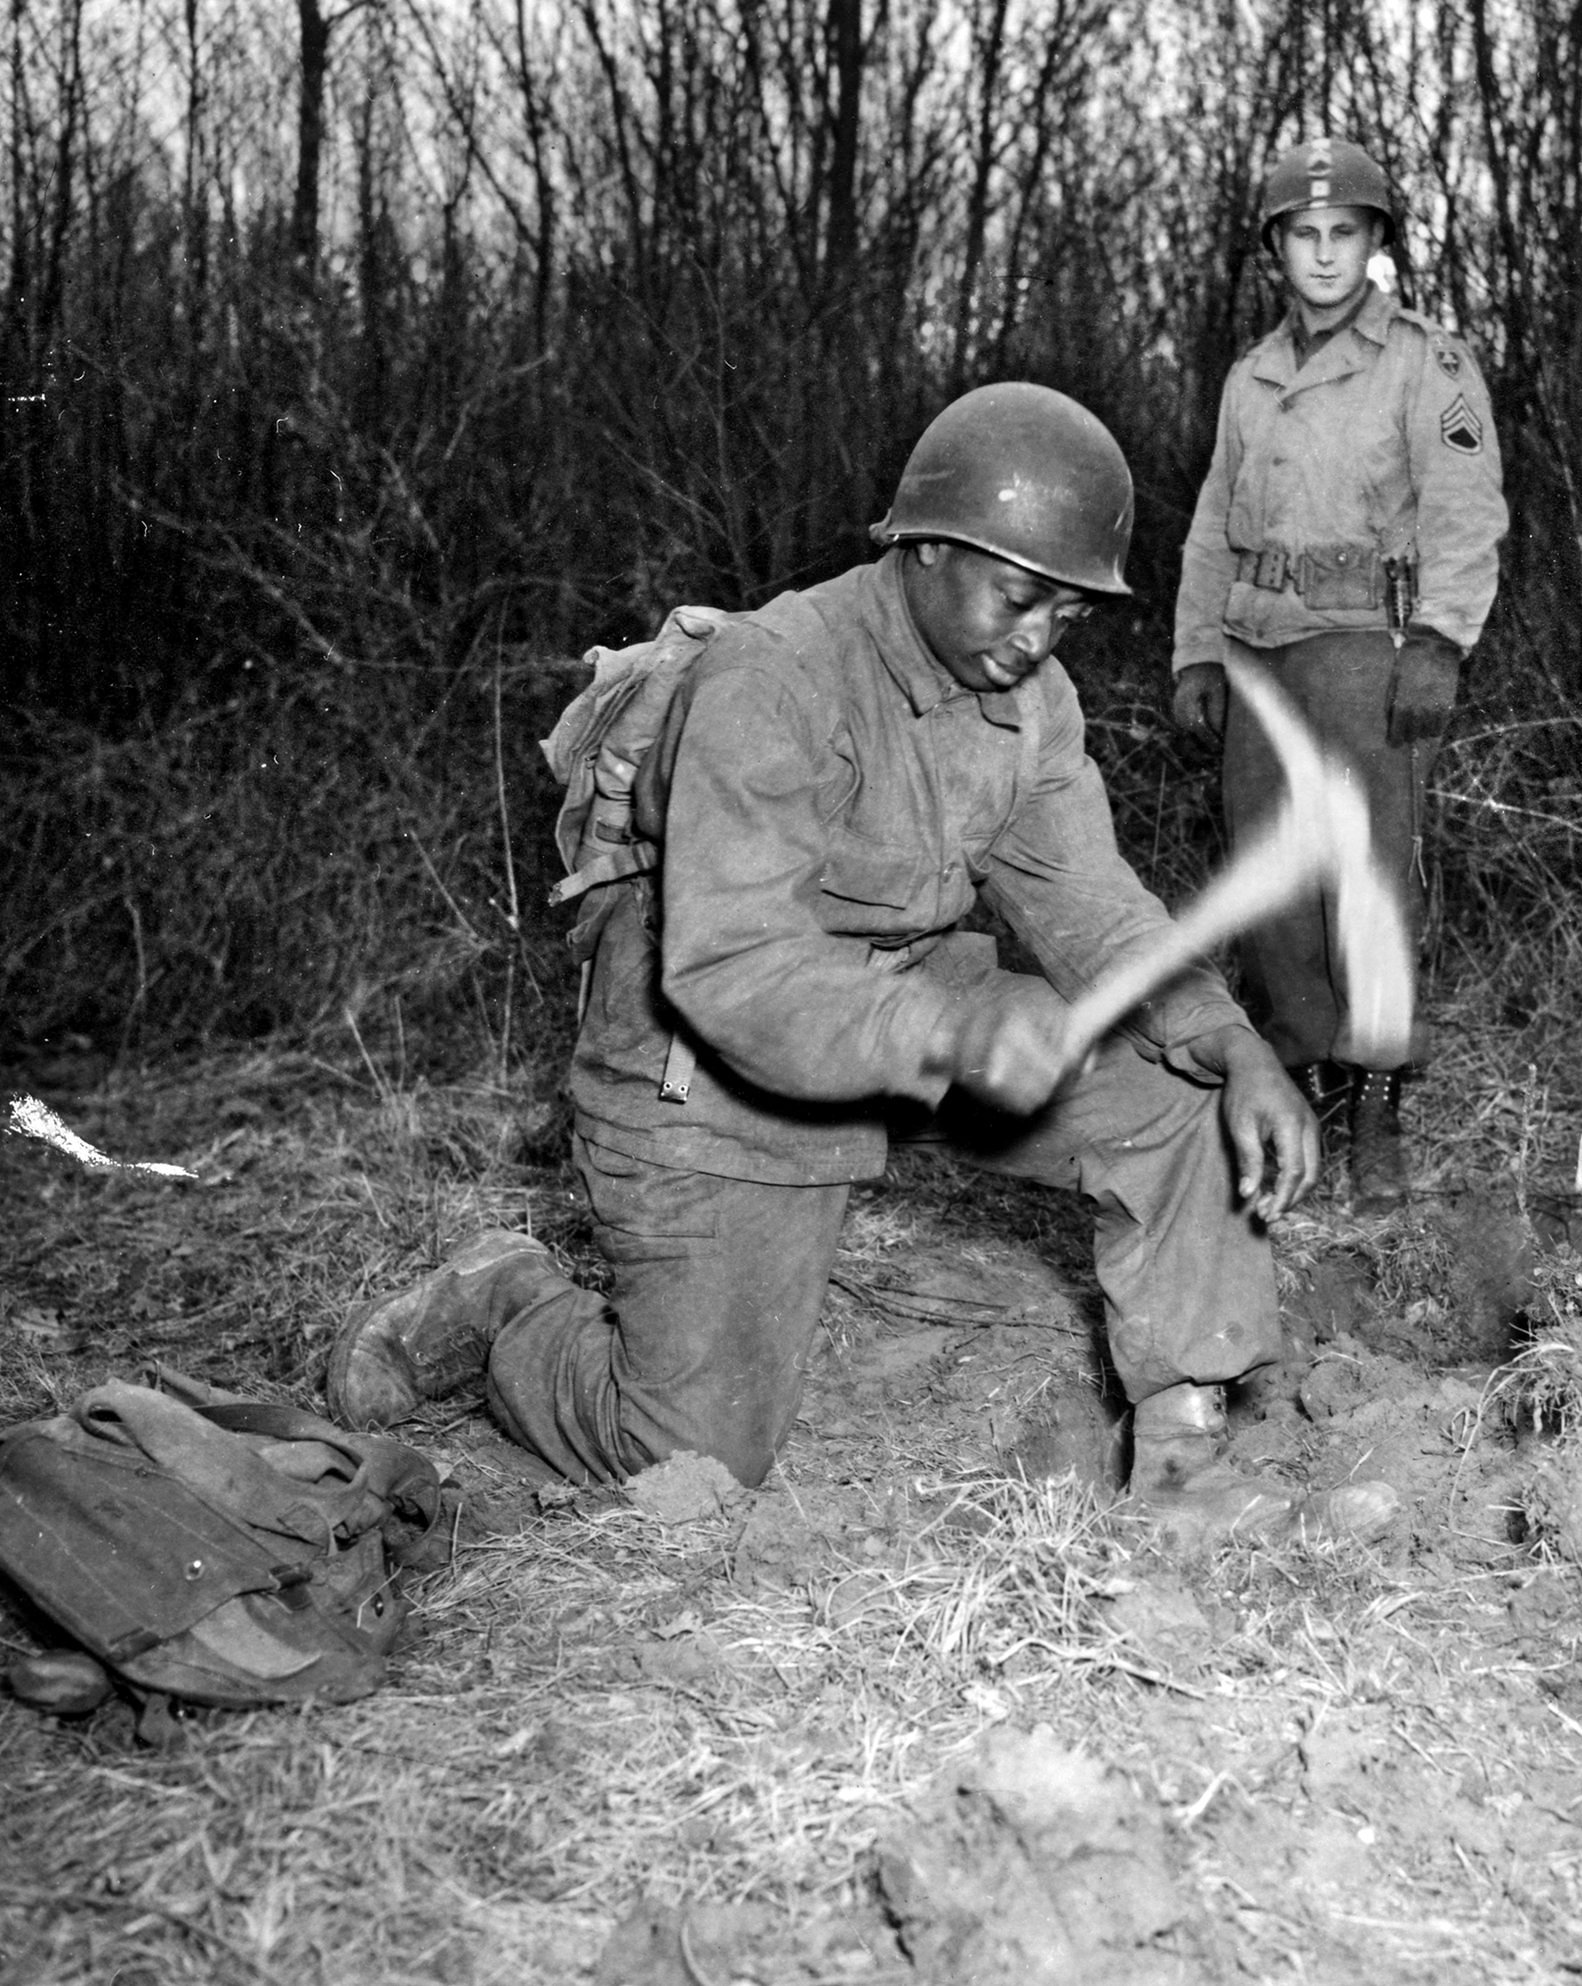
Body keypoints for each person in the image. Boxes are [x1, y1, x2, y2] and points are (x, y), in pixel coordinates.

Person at [329, 384, 1385, 1543]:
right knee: (690, 1454)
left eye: (1067, 615)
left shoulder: (1032, 702)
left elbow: (1092, 907)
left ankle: (1183, 1466)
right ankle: (503, 1305)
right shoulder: (773, 680)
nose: (1037, 637)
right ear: (926, 549)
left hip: (917, 1008)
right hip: (704, 1055)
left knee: (1176, 1095)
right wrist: (954, 1038)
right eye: (1018, 596)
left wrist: (1233, 1046)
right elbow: (734, 968)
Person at [1171, 136, 1508, 1211]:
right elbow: (1210, 532)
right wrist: (1194, 650)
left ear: (1375, 246)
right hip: (1260, 648)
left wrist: (1442, 642)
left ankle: (1377, 1100)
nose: (1323, 254)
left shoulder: (1426, 362)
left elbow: (1465, 515)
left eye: (1344, 234)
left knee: (1366, 875)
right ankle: (1302, 1078)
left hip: (1368, 645)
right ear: (1276, 248)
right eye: (1303, 235)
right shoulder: (1249, 379)